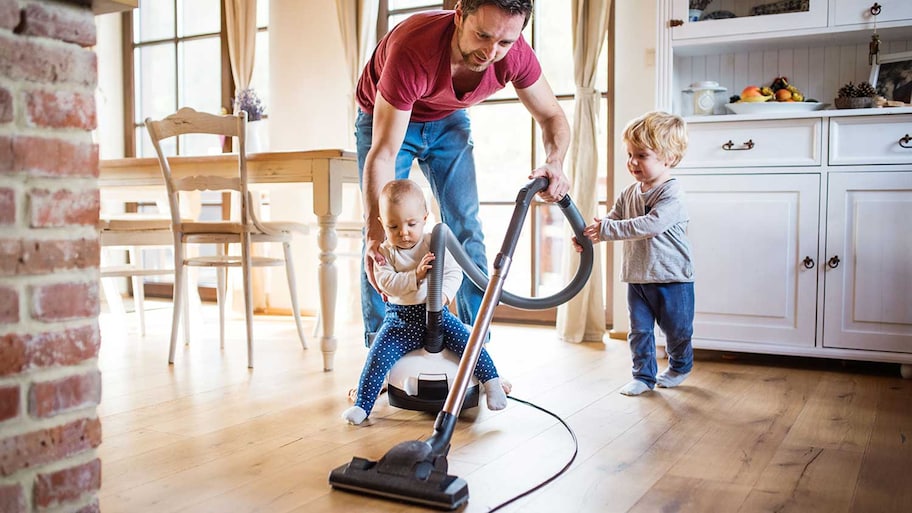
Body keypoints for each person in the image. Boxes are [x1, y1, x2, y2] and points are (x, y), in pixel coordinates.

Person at [355, 0, 571, 346]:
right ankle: (380, 353)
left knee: (466, 227)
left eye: (504, 42)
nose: (490, 52)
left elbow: (552, 117)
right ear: (459, 16)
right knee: (385, 235)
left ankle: (475, 350)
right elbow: (383, 154)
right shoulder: (413, 48)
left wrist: (555, 161)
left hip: (448, 118)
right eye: (482, 35)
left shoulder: (514, 55)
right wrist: (374, 230)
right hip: (389, 118)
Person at [342, 179, 511, 425]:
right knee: (377, 356)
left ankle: (492, 383)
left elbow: (454, 272)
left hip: (438, 316)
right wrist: (416, 276)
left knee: (470, 344)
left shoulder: (435, 241)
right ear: (382, 224)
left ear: (424, 217)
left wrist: (442, 296)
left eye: (411, 224)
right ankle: (363, 405)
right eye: (393, 226)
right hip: (399, 321)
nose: (403, 232)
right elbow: (387, 283)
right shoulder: (385, 252)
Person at [574, 111, 694, 396]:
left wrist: (607, 230)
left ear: (669, 158)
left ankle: (680, 366)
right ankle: (643, 376)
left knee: (677, 331)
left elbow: (651, 225)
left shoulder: (672, 194)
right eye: (630, 154)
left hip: (672, 279)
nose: (632, 162)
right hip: (637, 277)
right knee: (639, 331)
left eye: (641, 155)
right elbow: (613, 221)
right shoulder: (629, 192)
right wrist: (591, 236)